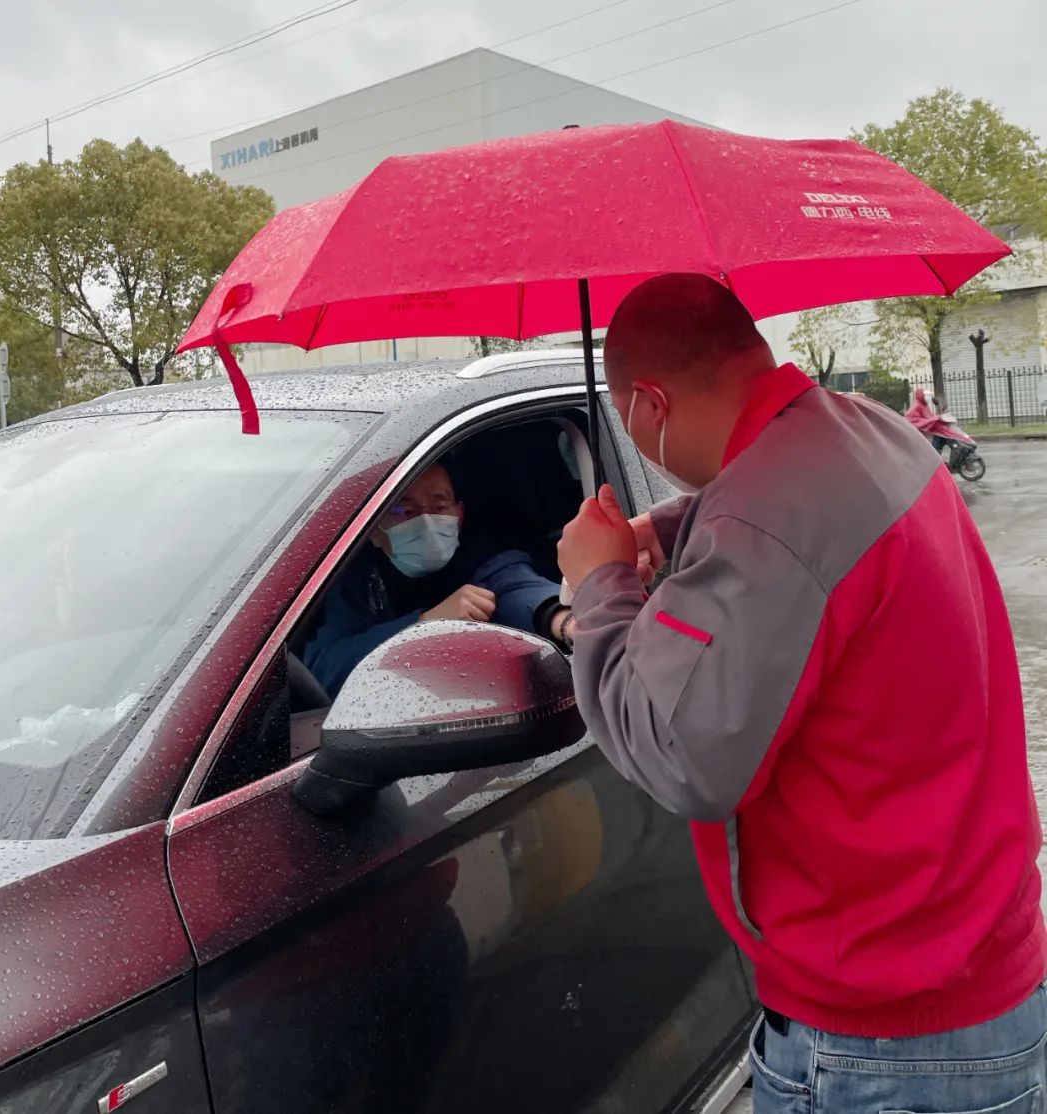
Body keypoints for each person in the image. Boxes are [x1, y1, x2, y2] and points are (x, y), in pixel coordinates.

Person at [556, 273, 1047, 1113]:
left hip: (882, 1044)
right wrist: (669, 528)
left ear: (648, 403)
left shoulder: (764, 520)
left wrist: (599, 586)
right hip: (980, 971)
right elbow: (792, 528)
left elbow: (680, 757)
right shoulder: (869, 432)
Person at [304, 462, 575, 698]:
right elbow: (324, 671)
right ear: (374, 529)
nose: (427, 521)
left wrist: (566, 622)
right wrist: (423, 626)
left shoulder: (479, 554)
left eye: (439, 507)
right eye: (405, 511)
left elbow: (518, 588)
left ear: (459, 516)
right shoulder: (351, 576)